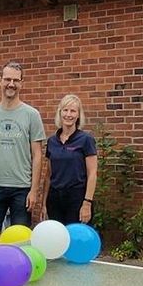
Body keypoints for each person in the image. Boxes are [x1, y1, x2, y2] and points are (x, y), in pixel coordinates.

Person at [0, 62, 46, 245]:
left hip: (22, 188)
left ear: (22, 83)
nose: (11, 84)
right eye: (7, 79)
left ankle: (17, 272)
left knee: (21, 240)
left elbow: (37, 155)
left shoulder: (32, 115)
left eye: (16, 80)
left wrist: (33, 190)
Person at [41, 94, 98, 225]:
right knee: (58, 241)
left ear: (78, 115)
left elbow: (92, 174)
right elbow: (48, 175)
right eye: (65, 110)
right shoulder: (51, 141)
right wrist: (44, 204)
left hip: (77, 198)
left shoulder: (86, 140)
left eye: (73, 111)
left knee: (75, 239)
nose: (68, 114)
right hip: (55, 199)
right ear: (60, 113)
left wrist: (87, 203)